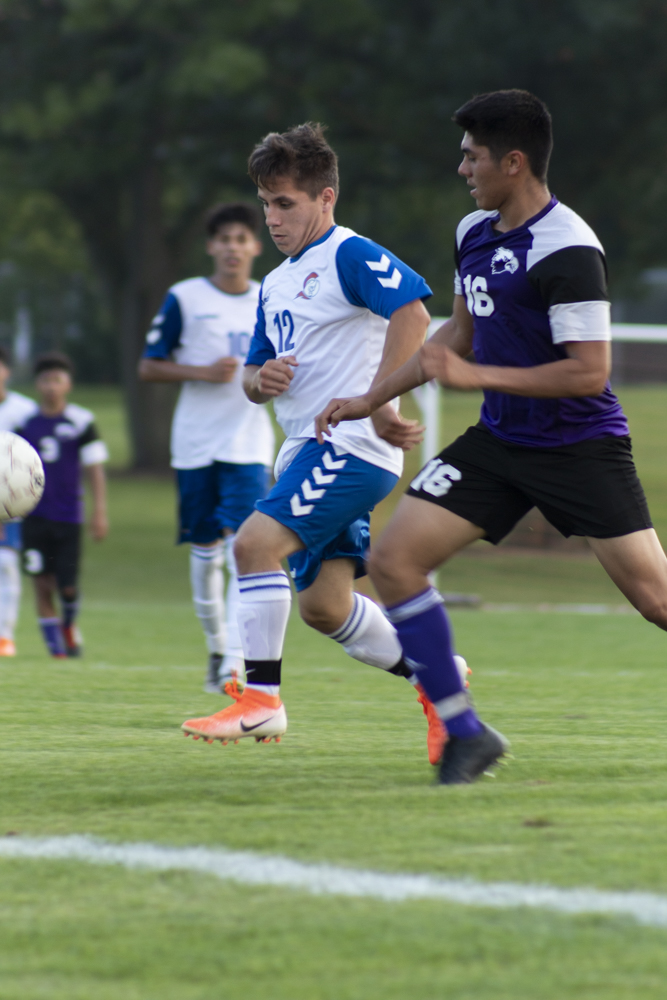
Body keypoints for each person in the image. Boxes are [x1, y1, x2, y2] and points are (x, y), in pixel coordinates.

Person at [316, 88, 667, 785]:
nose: (461, 170)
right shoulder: (472, 234)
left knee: (656, 601)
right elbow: (457, 336)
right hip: (501, 443)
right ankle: (465, 732)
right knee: (393, 562)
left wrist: (478, 379)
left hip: (579, 447)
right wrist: (370, 396)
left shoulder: (568, 249)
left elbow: (587, 372)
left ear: (513, 162)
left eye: (471, 157)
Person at [181, 121, 455, 750]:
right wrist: (262, 379)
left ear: (325, 197)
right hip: (303, 450)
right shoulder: (275, 282)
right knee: (326, 609)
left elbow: (413, 313)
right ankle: (441, 682)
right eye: (266, 203)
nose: (272, 219)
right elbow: (252, 375)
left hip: (348, 450)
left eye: (285, 203)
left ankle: (261, 700)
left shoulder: (348, 254)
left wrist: (377, 400)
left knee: (252, 547)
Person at [139, 203, 275, 693]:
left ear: (255, 246)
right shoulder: (185, 298)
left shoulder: (270, 298)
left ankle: (235, 663)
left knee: (244, 547)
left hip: (249, 445)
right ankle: (218, 646)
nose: (233, 247)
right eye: (224, 239)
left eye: (242, 238)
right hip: (195, 444)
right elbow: (149, 366)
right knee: (204, 551)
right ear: (210, 246)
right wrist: (202, 372)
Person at [16, 352, 108, 657]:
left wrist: (100, 512)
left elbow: (94, 469)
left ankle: (68, 623)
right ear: (37, 384)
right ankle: (56, 651)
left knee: (67, 587)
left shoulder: (81, 421)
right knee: (41, 582)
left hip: (69, 516)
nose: (51, 386)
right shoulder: (25, 424)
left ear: (68, 384)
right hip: (34, 516)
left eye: (57, 380)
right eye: (45, 380)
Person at [0, 346, 39, 656]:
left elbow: (35, 461)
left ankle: (5, 636)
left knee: (7, 563)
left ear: (7, 370)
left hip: (11, 506)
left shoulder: (24, 411)